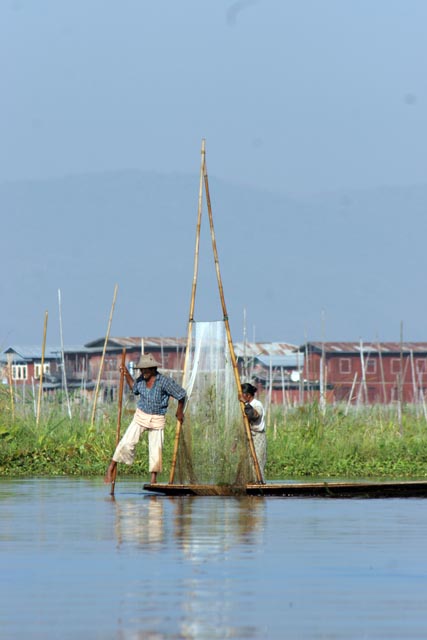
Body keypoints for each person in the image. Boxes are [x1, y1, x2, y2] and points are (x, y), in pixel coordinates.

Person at [104, 353, 186, 485]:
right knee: (127, 441)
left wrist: (179, 411)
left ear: (153, 369)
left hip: (157, 417)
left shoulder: (164, 382)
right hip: (141, 415)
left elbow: (181, 394)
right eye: (141, 370)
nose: (143, 372)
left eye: (145, 369)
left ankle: (153, 479)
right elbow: (134, 388)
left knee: (156, 449)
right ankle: (111, 467)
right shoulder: (141, 380)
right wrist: (126, 374)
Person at [239, 382, 266, 481]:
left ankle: (258, 482)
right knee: (248, 463)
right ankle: (250, 482)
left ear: (248, 395)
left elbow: (254, 416)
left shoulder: (256, 404)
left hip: (257, 437)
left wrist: (246, 404)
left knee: (257, 462)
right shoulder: (244, 405)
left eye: (242, 394)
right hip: (248, 437)